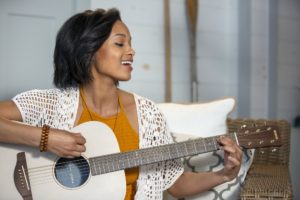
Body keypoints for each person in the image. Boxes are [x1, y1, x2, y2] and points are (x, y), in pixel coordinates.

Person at [0, 8, 242, 200]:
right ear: (88, 49)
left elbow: (175, 185)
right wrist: (46, 138)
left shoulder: (147, 115)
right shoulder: (50, 104)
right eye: (120, 43)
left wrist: (224, 174)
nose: (131, 51)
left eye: (130, 43)